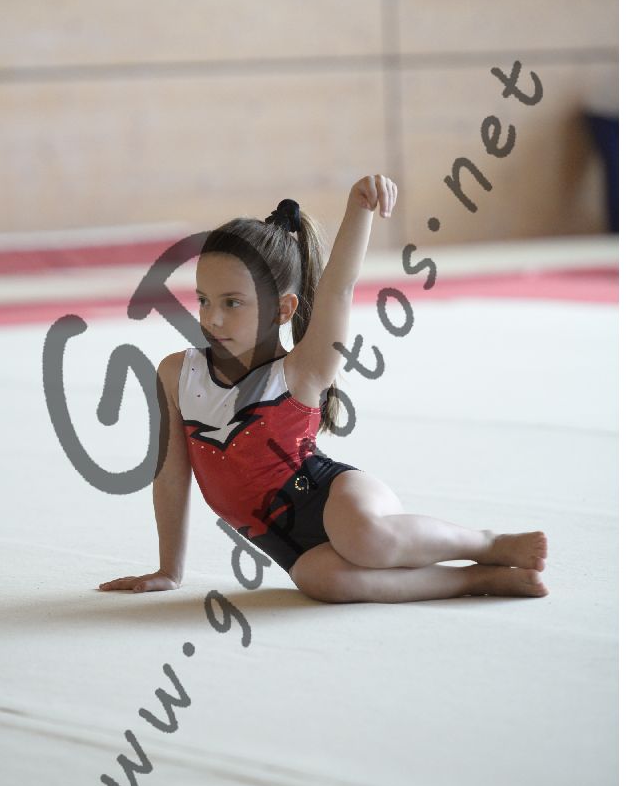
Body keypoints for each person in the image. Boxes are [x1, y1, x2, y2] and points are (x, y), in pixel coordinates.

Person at [99, 177, 548, 603]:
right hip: (289, 544)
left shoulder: (302, 370)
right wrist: (169, 570)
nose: (212, 318)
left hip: (338, 498)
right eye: (203, 300)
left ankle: (487, 544)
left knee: (364, 538)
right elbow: (170, 476)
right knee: (324, 583)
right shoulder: (177, 374)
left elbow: (338, 291)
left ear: (283, 309)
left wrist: (359, 210)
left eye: (232, 303)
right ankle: (476, 580)